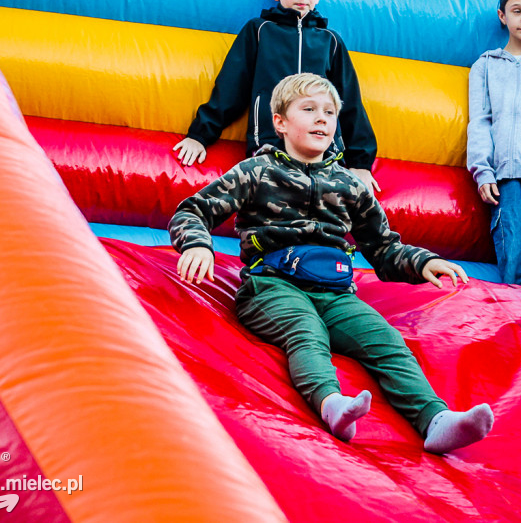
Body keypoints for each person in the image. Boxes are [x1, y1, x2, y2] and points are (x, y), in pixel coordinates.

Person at [169, 73, 495, 453]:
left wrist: (423, 262)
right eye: (308, 110)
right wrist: (197, 245)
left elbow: (383, 247)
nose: (321, 118)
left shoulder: (350, 184)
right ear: (280, 123)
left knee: (385, 339)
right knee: (305, 329)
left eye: (328, 112)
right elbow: (192, 210)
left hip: (336, 291)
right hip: (270, 285)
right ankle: (331, 403)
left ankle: (436, 420)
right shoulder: (256, 172)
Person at [173, 0, 380, 193]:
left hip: (322, 154)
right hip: (270, 149)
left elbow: (349, 101)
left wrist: (360, 163)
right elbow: (231, 87)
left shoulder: (330, 41)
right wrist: (200, 135)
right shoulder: (260, 31)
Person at [466, 0, 521, 285]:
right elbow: (480, 121)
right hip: (506, 176)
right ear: (503, 16)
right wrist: (482, 171)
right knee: (513, 259)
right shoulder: (485, 66)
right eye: (517, 11)